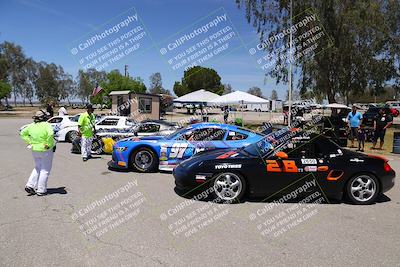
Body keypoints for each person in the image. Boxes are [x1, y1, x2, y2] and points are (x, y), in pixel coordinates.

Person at [20, 110, 55, 196]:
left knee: (38, 167)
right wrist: (48, 144)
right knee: (45, 170)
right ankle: (41, 189)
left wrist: (30, 141)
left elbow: (22, 133)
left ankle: (30, 185)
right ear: (43, 117)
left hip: (35, 149)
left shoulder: (31, 126)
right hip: (45, 149)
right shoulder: (46, 125)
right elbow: (51, 134)